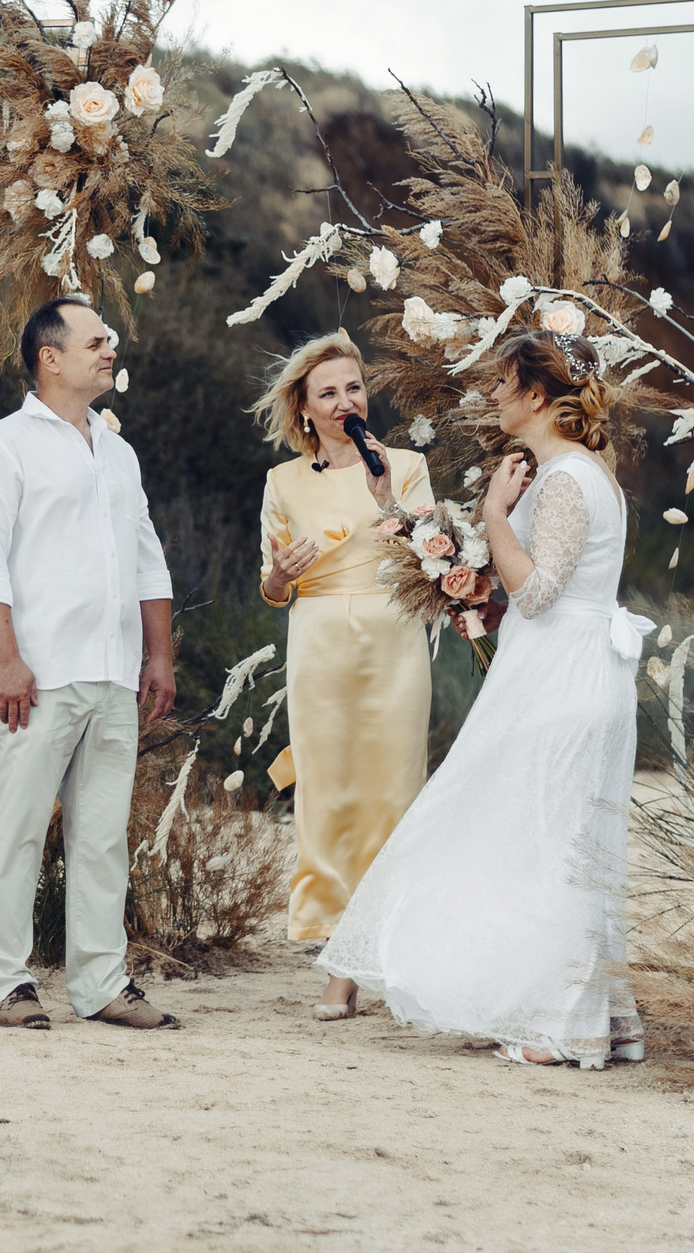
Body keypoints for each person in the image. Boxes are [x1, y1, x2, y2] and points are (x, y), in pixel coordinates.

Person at [317, 327, 650, 1068]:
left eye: (503, 383)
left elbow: (538, 592)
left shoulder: (566, 479)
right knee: (556, 839)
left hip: (560, 677)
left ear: (536, 395)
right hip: (567, 669)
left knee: (548, 839)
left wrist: (497, 513)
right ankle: (594, 1015)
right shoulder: (578, 472)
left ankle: (558, 1026)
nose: (494, 394)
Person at [0, 295, 181, 1032]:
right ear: (49, 359)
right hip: (37, 677)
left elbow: (147, 560)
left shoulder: (118, 452)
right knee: (18, 829)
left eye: (109, 340)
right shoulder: (6, 446)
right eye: (95, 342)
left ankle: (102, 985)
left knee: (103, 838)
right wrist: (6, 661)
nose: (110, 351)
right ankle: (3, 983)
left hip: (113, 674)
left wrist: (159, 656)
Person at [249, 331, 433, 1022]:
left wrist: (389, 499)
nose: (344, 401)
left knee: (394, 793)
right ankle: (341, 962)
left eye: (353, 387)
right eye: (327, 393)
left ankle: (396, 954)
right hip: (320, 642)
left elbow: (431, 559)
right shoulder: (282, 482)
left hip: (394, 640)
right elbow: (272, 591)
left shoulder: (405, 466)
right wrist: (278, 575)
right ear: (304, 407)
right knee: (327, 795)